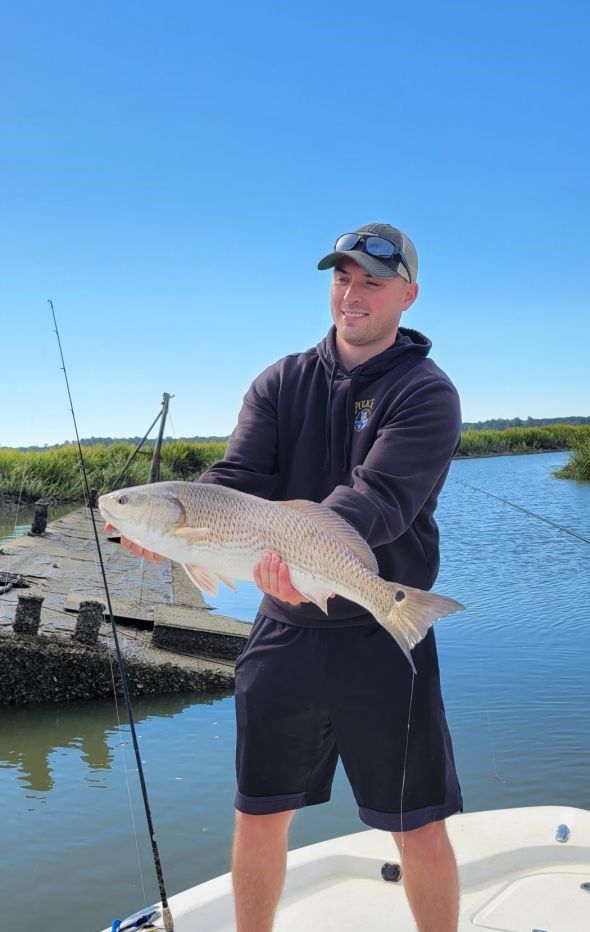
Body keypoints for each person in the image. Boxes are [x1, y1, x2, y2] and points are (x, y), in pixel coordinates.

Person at [122, 222, 463, 932]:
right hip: (284, 631)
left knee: (419, 826)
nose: (353, 292)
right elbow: (237, 479)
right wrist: (173, 530)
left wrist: (305, 558)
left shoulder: (426, 392)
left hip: (380, 629)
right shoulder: (281, 381)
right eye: (342, 276)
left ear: (409, 294)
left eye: (373, 279)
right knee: (258, 815)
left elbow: (377, 501)